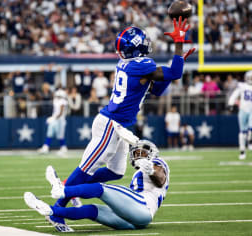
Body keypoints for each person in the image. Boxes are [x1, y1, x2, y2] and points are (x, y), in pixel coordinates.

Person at [44, 17, 195, 232]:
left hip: (120, 126)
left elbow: (158, 88)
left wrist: (175, 65)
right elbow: (175, 73)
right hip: (111, 124)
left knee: (115, 172)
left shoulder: (134, 66)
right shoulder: (141, 66)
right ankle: (59, 207)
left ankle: (71, 187)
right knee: (87, 168)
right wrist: (179, 46)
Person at [24, 140, 169, 231]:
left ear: (152, 153)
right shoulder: (140, 173)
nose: (138, 156)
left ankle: (63, 190)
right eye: (136, 153)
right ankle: (52, 211)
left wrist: (151, 169)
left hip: (142, 207)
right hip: (135, 221)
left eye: (142, 153)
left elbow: (160, 178)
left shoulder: (159, 163)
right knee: (92, 210)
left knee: (101, 188)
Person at [228, 71, 252, 160]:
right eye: (249, 78)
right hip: (243, 110)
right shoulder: (242, 86)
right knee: (242, 132)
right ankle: (242, 151)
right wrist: (230, 103)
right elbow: (234, 95)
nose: (251, 80)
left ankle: (250, 141)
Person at [38, 87, 69, 156]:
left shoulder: (63, 101)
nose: (57, 97)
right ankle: (46, 147)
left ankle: (63, 147)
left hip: (60, 120)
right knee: (50, 132)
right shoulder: (55, 100)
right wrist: (53, 118)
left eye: (59, 96)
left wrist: (53, 118)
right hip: (55, 119)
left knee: (60, 135)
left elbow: (61, 113)